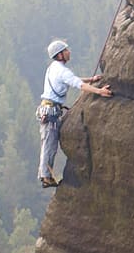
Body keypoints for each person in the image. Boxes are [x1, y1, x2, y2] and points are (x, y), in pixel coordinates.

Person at [37, 39, 112, 187]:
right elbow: (79, 85)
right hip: (50, 112)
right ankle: (45, 176)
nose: (68, 52)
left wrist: (92, 79)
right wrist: (99, 91)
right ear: (60, 55)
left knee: (48, 143)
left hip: (48, 109)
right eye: (66, 50)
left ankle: (45, 175)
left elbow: (73, 79)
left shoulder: (54, 67)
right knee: (49, 144)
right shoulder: (61, 70)